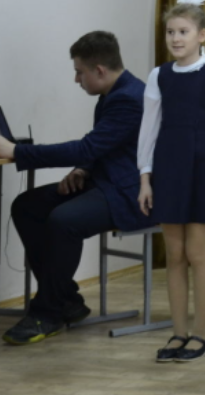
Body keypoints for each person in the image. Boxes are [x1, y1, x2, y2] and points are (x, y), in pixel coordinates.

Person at [1, 31, 150, 345]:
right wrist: (84, 168)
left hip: (131, 193)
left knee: (64, 220)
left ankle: (47, 312)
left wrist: (16, 151)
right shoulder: (113, 93)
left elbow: (87, 147)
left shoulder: (129, 98)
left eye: (79, 72)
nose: (76, 79)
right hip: (107, 180)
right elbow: (105, 146)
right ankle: (67, 300)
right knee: (27, 206)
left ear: (99, 70)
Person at [137, 0, 205, 362]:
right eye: (170, 32)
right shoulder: (159, 76)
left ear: (202, 35)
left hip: (203, 170)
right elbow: (149, 130)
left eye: (183, 31)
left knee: (197, 253)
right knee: (175, 254)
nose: (176, 38)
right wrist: (145, 179)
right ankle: (178, 333)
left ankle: (201, 334)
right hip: (168, 170)